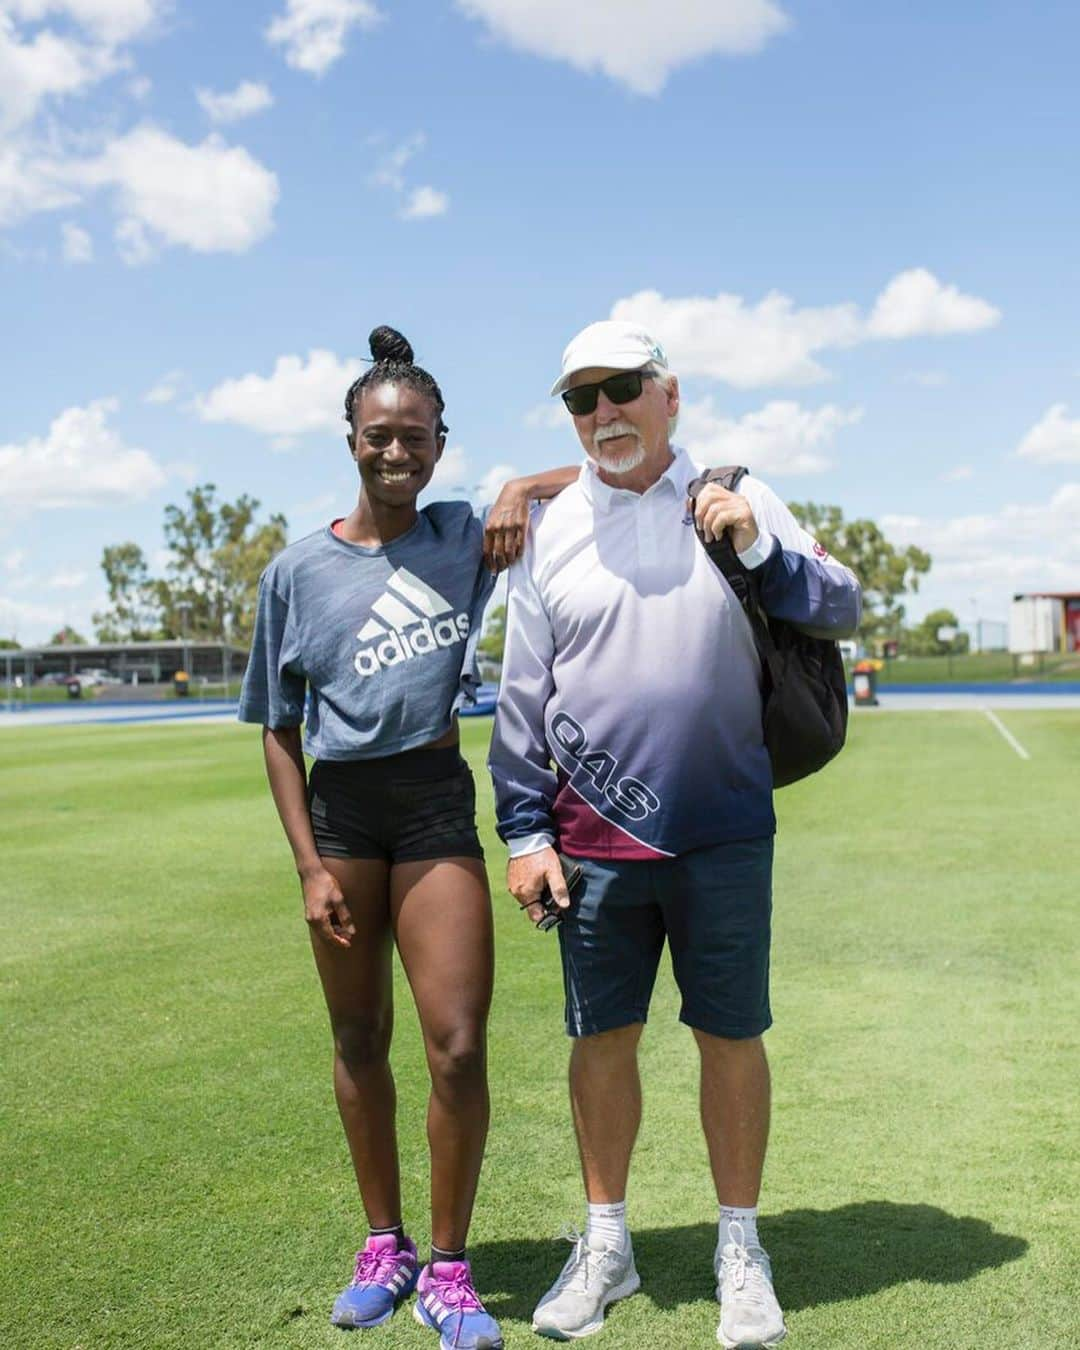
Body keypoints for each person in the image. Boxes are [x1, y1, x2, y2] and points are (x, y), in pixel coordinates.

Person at [489, 320, 861, 1348]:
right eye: (581, 399)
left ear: (670, 396)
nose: (603, 413)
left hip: (724, 830)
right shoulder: (550, 528)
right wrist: (524, 831)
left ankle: (740, 1247)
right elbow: (524, 696)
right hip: (591, 839)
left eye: (622, 390)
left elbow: (843, 603)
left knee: (730, 1036)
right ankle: (606, 1244)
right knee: (599, 1041)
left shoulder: (738, 490)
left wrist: (758, 543)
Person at [238, 326, 576, 1350]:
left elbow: (608, 475)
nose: (398, 453)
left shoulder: (462, 536)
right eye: (381, 436)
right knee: (357, 1038)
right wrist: (306, 866)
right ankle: (381, 1245)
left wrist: (519, 485)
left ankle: (449, 1269)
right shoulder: (295, 573)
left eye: (417, 438)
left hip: (434, 805)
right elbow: (277, 729)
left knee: (459, 1045)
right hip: (341, 817)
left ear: (439, 444)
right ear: (350, 438)